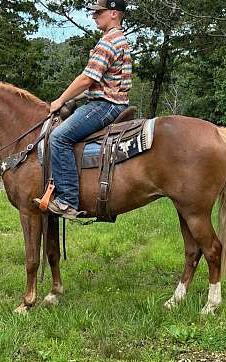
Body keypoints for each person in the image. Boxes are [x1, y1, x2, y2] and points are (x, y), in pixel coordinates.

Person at [37, 0, 132, 219]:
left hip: (105, 105)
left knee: (59, 137)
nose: (94, 16)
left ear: (114, 14)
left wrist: (60, 100)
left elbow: (86, 78)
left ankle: (68, 200)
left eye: (99, 12)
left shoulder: (109, 41)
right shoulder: (120, 40)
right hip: (112, 101)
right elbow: (101, 82)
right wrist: (78, 97)